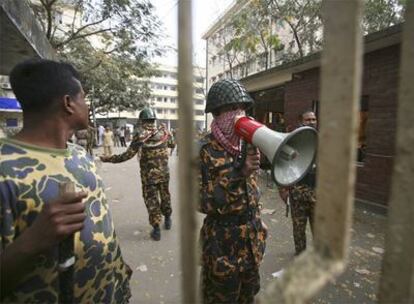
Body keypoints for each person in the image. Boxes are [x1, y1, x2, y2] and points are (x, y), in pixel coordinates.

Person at [0, 59, 131, 303]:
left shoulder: (80, 154)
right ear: (68, 103)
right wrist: (32, 240)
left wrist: (117, 269)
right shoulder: (5, 169)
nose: (87, 104)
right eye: (83, 97)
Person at [198, 79, 267, 304]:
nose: (239, 114)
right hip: (221, 246)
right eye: (231, 109)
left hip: (251, 241)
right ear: (217, 114)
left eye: (243, 108)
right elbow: (201, 202)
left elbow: (253, 191)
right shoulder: (202, 150)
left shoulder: (247, 144)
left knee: (249, 296)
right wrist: (238, 174)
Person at [100, 108, 175, 241]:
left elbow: (127, 155)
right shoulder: (164, 131)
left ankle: (156, 229)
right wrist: (168, 134)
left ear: (141, 121)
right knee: (165, 196)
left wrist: (109, 159)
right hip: (164, 173)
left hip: (148, 176)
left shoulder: (140, 135)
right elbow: (172, 144)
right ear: (153, 120)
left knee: (151, 201)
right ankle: (168, 218)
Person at [279, 110, 317, 255]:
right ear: (301, 121)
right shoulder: (294, 140)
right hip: (298, 192)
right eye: (308, 120)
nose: (312, 122)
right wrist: (282, 189)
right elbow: (281, 164)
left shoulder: (321, 139)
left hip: (317, 193)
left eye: (314, 119)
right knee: (299, 228)